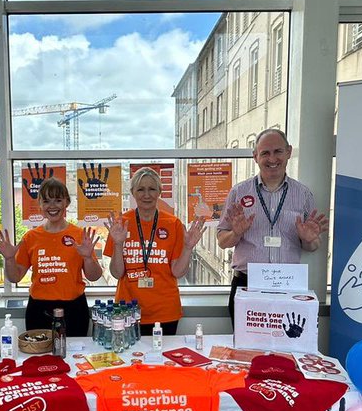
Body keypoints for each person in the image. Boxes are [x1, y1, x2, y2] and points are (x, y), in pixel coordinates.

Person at [216, 129, 329, 320]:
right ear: (255, 157)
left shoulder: (303, 195)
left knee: (288, 344)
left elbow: (313, 246)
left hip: (288, 285)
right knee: (245, 349)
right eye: (265, 153)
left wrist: (308, 240)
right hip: (247, 285)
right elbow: (222, 241)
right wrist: (236, 233)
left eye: (278, 151)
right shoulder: (239, 193)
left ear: (289, 152)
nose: (272, 159)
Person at [103, 167, 206, 336]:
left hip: (165, 311)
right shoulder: (120, 225)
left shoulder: (173, 223)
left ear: (159, 191)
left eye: (152, 189)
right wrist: (118, 244)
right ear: (133, 193)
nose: (146, 195)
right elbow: (116, 273)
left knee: (164, 360)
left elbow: (177, 272)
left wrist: (188, 248)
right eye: (140, 189)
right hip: (127, 311)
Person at [0, 176, 101, 337]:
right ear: (39, 205)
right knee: (38, 359)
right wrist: (10, 259)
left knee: (74, 358)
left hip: (74, 309)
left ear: (66, 202)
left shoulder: (79, 235)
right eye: (46, 201)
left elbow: (94, 276)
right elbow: (15, 277)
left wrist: (88, 257)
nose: (52, 206)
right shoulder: (30, 237)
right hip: (39, 310)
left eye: (58, 200)